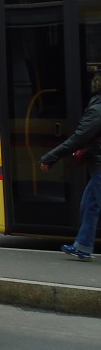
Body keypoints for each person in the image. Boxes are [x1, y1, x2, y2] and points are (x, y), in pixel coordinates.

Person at [39, 72, 101, 260]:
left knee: (91, 204)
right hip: (97, 166)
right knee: (89, 205)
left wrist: (50, 157)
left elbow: (77, 138)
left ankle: (83, 246)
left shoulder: (97, 110)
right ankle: (82, 246)